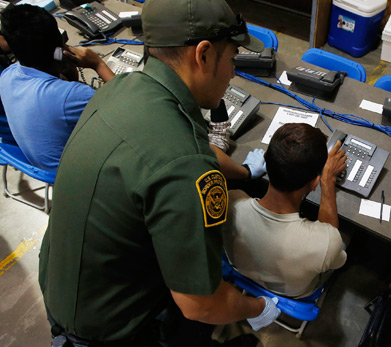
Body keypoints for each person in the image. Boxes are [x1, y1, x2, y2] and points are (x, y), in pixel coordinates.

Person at [39, 0, 280, 345]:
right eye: (232, 59)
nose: (233, 73)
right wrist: (258, 307)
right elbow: (202, 305)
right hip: (113, 330)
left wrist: (242, 170)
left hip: (64, 292)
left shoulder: (123, 88)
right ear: (204, 55)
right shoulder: (187, 166)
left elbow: (175, 146)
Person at [223, 123, 348, 299]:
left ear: (265, 159)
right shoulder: (325, 243)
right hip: (296, 293)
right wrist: (327, 182)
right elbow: (330, 242)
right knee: (343, 243)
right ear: (314, 183)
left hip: (241, 273)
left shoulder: (231, 202)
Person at [0, 3, 115, 171]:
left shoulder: (7, 75)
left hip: (41, 166)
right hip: (79, 175)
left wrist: (62, 62)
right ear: (60, 45)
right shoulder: (73, 96)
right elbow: (130, 108)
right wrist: (98, 64)